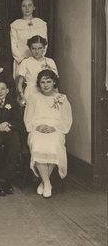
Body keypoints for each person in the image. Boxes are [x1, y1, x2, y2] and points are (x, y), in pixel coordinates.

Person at [24, 70, 72, 198]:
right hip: (37, 128)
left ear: (54, 82)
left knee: (53, 145)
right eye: (42, 82)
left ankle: (44, 182)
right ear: (39, 84)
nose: (45, 85)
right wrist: (37, 126)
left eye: (49, 81)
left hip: (55, 129)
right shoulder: (33, 98)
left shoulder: (62, 98)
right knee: (38, 145)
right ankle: (47, 182)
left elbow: (66, 119)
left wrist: (54, 127)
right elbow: (28, 118)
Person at [11, 0, 47, 79]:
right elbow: (13, 45)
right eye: (24, 6)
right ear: (20, 8)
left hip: (38, 60)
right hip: (20, 60)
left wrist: (38, 58)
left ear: (34, 7)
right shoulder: (15, 24)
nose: (27, 8)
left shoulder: (41, 23)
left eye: (29, 5)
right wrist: (22, 61)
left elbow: (45, 43)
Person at [17, 35, 58, 106]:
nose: (37, 51)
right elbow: (19, 83)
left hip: (47, 93)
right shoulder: (25, 62)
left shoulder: (50, 62)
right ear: (30, 49)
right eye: (34, 49)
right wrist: (22, 96)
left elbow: (55, 83)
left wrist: (56, 97)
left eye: (40, 48)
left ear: (44, 48)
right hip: (31, 93)